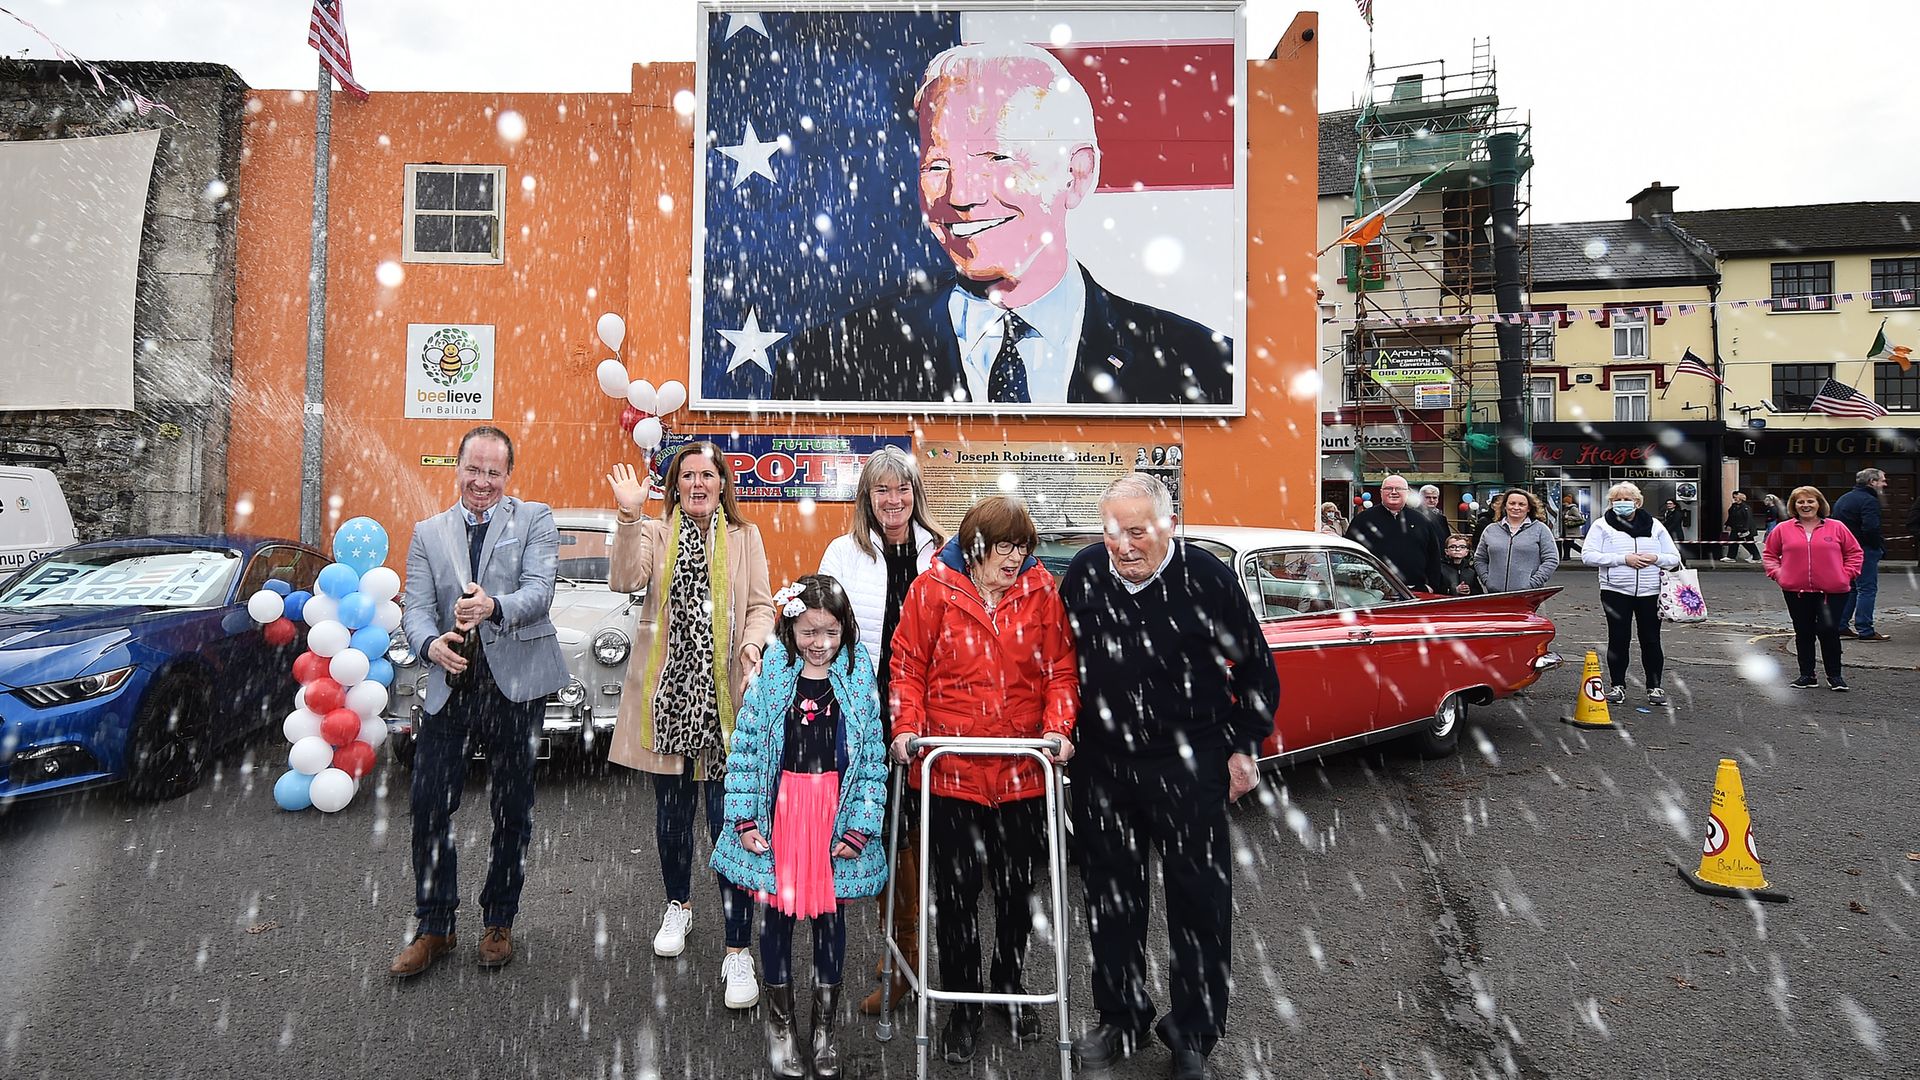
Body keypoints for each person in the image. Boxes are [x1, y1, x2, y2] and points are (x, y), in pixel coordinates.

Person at [774, 41, 1231, 407]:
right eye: (937, 166)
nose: (961, 195)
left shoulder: (1203, 365)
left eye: (996, 158)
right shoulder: (830, 360)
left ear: (1077, 175)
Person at [1059, 473, 1279, 1080]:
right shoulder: (1084, 574)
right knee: (1110, 898)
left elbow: (1257, 668)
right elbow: (1058, 663)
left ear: (1169, 528)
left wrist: (1245, 746)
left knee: (1199, 901)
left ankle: (1193, 1033)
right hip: (1105, 765)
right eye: (1112, 533)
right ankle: (1122, 1015)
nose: (1124, 546)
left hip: (1191, 761)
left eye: (1137, 532)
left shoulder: (1206, 578)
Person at [887, 495, 1078, 1063]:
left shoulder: (1042, 594)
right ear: (976, 548)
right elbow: (907, 666)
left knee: (1018, 892)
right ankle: (964, 1002)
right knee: (957, 894)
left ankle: (1008, 986)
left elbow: (1060, 670)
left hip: (1023, 771)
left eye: (1021, 548)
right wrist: (906, 726)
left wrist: (1059, 727)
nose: (1014, 559)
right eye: (1003, 548)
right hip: (953, 771)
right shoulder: (933, 592)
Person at [391, 426, 570, 977]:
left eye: (494, 472)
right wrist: (429, 643)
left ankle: (499, 920)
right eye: (474, 469)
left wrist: (495, 606)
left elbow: (541, 592)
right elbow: (416, 607)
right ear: (458, 469)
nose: (483, 482)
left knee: (511, 809)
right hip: (452, 684)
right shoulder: (427, 532)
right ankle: (435, 925)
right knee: (427, 805)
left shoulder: (535, 518)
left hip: (516, 685)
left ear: (508, 476)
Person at [606, 443, 777, 1009]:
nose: (698, 483)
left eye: (708, 474)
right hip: (667, 698)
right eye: (688, 475)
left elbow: (760, 606)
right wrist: (630, 516)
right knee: (672, 817)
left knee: (730, 824)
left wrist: (752, 646)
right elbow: (624, 580)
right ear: (675, 484)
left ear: (724, 483)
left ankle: (737, 950)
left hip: (726, 700)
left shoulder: (745, 538)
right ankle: (678, 904)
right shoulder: (655, 534)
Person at [710, 575, 889, 1079]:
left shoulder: (857, 675)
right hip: (782, 815)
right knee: (778, 921)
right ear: (790, 628)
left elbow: (873, 758)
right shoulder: (772, 676)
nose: (820, 644)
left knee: (831, 922)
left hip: (834, 816)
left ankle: (824, 1028)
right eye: (809, 631)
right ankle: (782, 1025)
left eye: (830, 631)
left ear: (845, 629)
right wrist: (744, 818)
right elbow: (745, 752)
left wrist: (860, 826)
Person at [814, 446, 944, 1015]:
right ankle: (894, 963)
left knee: (918, 838)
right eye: (881, 491)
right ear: (866, 497)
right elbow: (822, 631)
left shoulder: (940, 554)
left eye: (903, 490)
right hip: (866, 714)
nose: (893, 501)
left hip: (929, 712)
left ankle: (913, 960)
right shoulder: (843, 552)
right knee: (885, 832)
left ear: (916, 495)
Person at [1581, 481, 1682, 707]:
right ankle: (1618, 686)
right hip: (1615, 591)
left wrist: (1656, 559)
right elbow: (1588, 556)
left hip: (1650, 591)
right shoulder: (1601, 526)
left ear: (1637, 502)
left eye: (1627, 499)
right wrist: (1622, 559)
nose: (1622, 503)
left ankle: (1654, 687)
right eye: (1617, 499)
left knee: (1651, 640)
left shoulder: (1655, 525)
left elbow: (1674, 558)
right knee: (1618, 639)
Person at [1762, 486, 1863, 692]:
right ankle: (1807, 675)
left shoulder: (1837, 527)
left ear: (1819, 504)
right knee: (1804, 632)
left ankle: (1835, 676)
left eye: (1810, 501)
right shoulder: (1782, 529)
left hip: (1832, 591)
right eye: (1800, 502)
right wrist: (1779, 575)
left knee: (1829, 631)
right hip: (1796, 590)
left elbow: (1854, 553)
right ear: (1794, 505)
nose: (1805, 505)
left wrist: (1847, 574)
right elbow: (1770, 555)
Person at [1345, 474, 1444, 591]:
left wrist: (1432, 586)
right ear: (1381, 492)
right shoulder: (1363, 520)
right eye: (1388, 488)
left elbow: (1434, 556)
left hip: (1415, 591)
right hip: (1373, 592)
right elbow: (1350, 554)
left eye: (1399, 489)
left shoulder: (1422, 521)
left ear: (1407, 493)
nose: (1393, 492)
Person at [1832, 467, 1890, 642]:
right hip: (1863, 549)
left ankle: (1841, 626)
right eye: (1882, 480)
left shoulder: (1844, 499)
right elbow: (1871, 528)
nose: (1885, 483)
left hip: (1844, 549)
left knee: (1851, 588)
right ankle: (1865, 629)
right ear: (1872, 482)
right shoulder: (1869, 501)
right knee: (1867, 589)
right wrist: (1878, 546)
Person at [1474, 489, 1560, 593]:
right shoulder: (1491, 530)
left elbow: (1551, 560)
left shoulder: (1541, 529)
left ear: (1529, 508)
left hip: (1529, 596)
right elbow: (1479, 559)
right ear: (1505, 506)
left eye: (1521, 504)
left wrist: (1533, 584)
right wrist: (1488, 580)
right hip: (1495, 595)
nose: (1516, 507)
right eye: (1512, 503)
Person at [1720, 491, 1758, 563]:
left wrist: (1745, 529)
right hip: (1736, 528)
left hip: (1744, 529)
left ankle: (1756, 557)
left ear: (1740, 498)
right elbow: (1731, 516)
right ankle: (1731, 556)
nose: (1734, 499)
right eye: (1733, 497)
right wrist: (1727, 524)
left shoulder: (1746, 507)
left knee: (1748, 543)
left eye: (1735, 497)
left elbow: (1748, 519)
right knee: (1733, 542)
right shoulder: (1734, 506)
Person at [1660, 498, 1692, 564]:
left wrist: (1667, 530)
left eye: (1670, 504)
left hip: (1676, 534)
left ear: (1674, 505)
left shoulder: (1678, 513)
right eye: (1667, 504)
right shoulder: (1666, 512)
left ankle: (1683, 563)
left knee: (1679, 549)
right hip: (1670, 534)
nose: (1668, 505)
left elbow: (1675, 523)